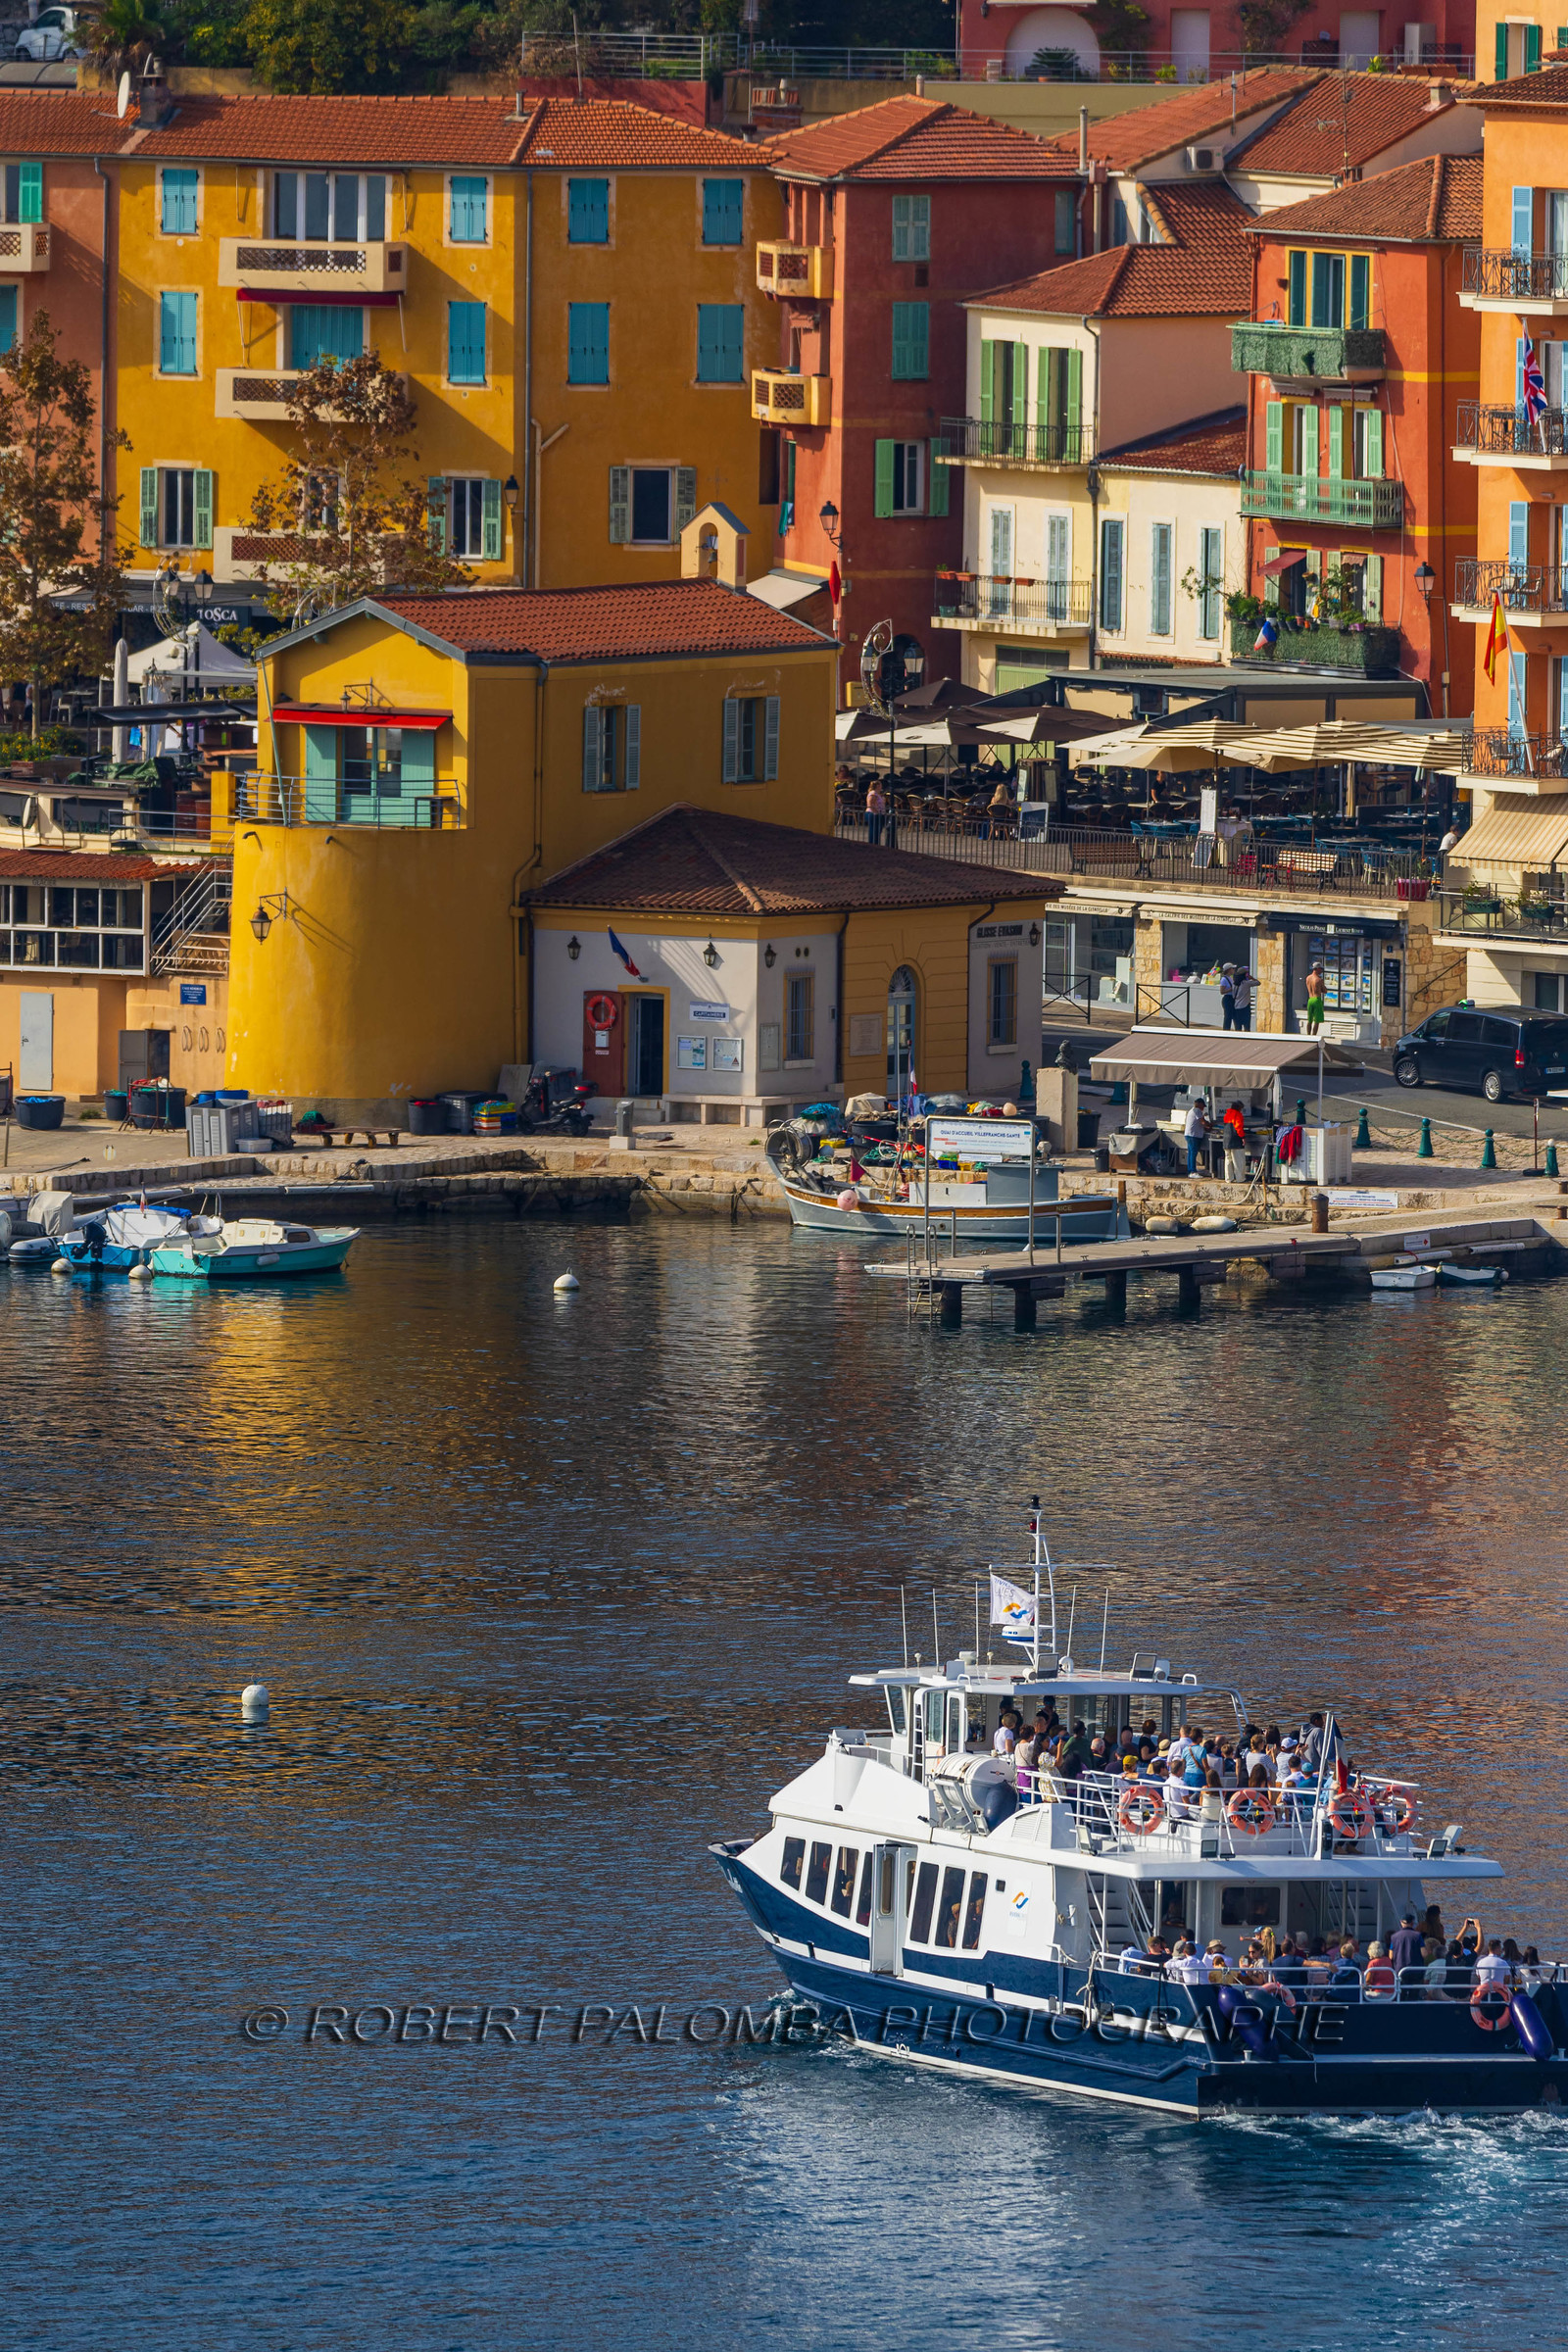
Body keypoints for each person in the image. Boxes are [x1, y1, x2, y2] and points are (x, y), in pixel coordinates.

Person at [1390, 1911, 1425, 1997]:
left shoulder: (1394, 1937)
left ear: (1401, 1922)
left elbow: (1391, 1955)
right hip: (1416, 1969)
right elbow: (1424, 1953)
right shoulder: (1417, 1936)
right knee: (1414, 1995)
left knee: (1400, 1994)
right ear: (1412, 1923)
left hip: (1400, 1970)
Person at [1184, 1093, 1209, 1178]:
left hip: (1189, 1134)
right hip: (1193, 1136)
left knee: (1191, 1153)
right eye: (1203, 1106)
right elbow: (1203, 1122)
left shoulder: (1191, 1110)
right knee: (1193, 1153)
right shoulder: (1197, 1110)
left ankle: (1190, 1170)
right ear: (1200, 1104)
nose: (1203, 1108)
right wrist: (1209, 1125)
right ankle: (1192, 1171)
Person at [1304, 962, 1326, 1035]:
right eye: (1321, 969)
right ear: (1317, 969)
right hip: (1317, 999)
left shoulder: (1308, 978)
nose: (1321, 971)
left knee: (1309, 1019)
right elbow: (1325, 990)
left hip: (1310, 999)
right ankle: (1314, 1036)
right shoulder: (1319, 980)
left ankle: (1308, 1035)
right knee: (1317, 1020)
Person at [864, 777, 887, 848]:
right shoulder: (873, 794)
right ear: (877, 786)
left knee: (878, 830)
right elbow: (871, 804)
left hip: (879, 813)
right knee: (874, 830)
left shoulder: (879, 794)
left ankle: (876, 843)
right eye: (880, 785)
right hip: (873, 813)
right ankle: (873, 844)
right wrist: (876, 812)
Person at [1233, 965, 1254, 1033]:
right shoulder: (1246, 983)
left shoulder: (1234, 984)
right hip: (1245, 1006)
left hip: (1237, 1006)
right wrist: (1251, 978)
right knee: (1247, 1026)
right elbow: (1258, 982)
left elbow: (1233, 995)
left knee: (1238, 1026)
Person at [1220, 962, 1237, 1030]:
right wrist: (1231, 989)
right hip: (1227, 999)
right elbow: (1222, 991)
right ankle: (1226, 1030)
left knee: (1234, 1015)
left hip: (1232, 998)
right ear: (1229, 970)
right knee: (1228, 1016)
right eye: (1233, 968)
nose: (1234, 970)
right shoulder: (1224, 979)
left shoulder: (1230, 978)